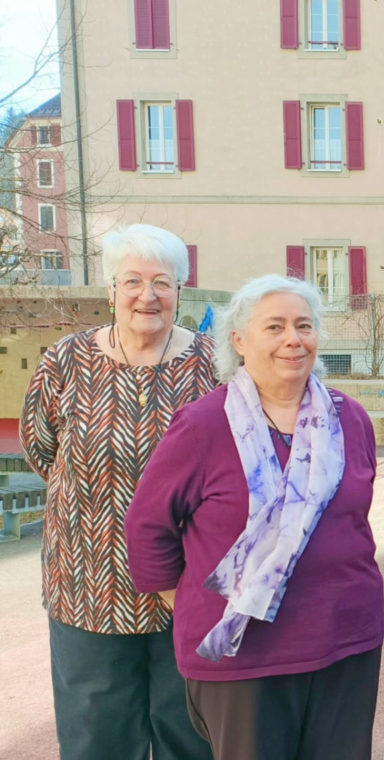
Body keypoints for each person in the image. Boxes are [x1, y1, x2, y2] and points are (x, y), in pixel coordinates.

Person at [125, 275, 384, 759]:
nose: (293, 339)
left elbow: (354, 518)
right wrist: (185, 600)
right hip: (242, 655)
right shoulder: (202, 424)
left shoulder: (350, 419)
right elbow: (148, 525)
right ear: (240, 340)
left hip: (345, 641)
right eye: (275, 326)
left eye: (304, 325)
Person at [20, 224, 215, 760]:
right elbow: (41, 450)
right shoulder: (65, 361)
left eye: (162, 282)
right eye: (132, 281)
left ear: (181, 289)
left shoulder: (215, 366)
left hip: (186, 588)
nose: (146, 296)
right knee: (95, 739)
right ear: (110, 289)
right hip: (87, 584)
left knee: (191, 737)